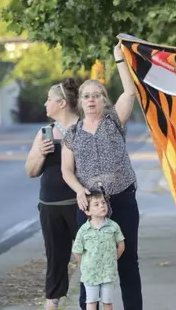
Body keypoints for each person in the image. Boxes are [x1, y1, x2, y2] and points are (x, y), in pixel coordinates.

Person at [62, 42, 143, 310]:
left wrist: (120, 59)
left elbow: (130, 92)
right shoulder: (71, 133)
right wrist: (78, 190)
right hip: (89, 205)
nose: (91, 99)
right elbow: (66, 170)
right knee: (90, 263)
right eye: (86, 96)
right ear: (81, 102)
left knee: (127, 260)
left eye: (97, 95)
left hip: (121, 198)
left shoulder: (114, 121)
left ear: (104, 100)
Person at [25, 78, 81, 310]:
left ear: (61, 103)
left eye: (49, 99)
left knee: (85, 255)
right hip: (50, 205)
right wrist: (40, 153)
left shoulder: (84, 128)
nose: (45, 103)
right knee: (56, 259)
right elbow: (30, 171)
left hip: (79, 203)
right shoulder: (45, 132)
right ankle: (52, 304)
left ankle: (90, 301)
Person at [73, 192, 126, 310]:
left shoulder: (113, 226)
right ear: (87, 211)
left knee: (107, 302)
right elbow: (77, 251)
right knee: (91, 302)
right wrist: (86, 263)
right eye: (96, 204)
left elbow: (121, 245)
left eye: (103, 203)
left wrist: (112, 259)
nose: (102, 206)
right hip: (90, 273)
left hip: (108, 272)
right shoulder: (84, 230)